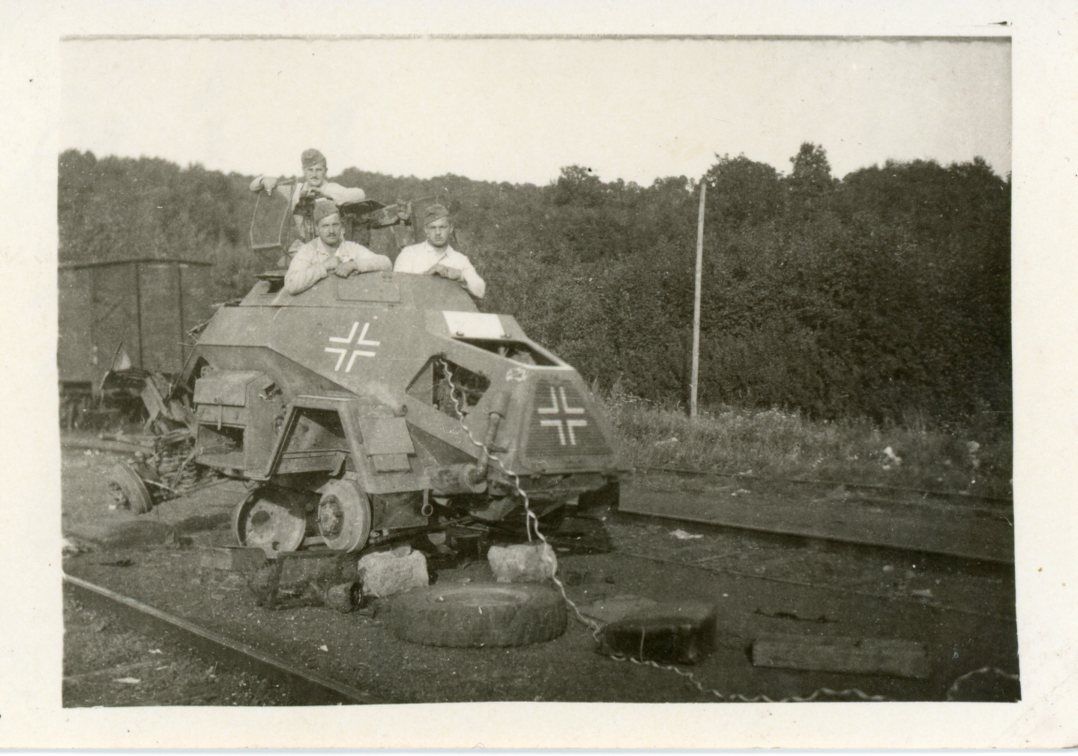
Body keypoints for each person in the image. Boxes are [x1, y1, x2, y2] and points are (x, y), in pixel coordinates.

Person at [250, 148, 367, 244]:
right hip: (306, 245)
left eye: (318, 170)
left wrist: (328, 196)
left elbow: (360, 194)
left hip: (331, 244)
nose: (314, 174)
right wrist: (263, 180)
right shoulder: (296, 190)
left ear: (325, 171)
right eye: (310, 170)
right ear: (304, 171)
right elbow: (254, 188)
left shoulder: (331, 188)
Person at [284, 199, 391, 295]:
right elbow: (291, 284)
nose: (331, 231)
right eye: (325, 226)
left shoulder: (350, 247)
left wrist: (354, 265)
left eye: (335, 225)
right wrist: (324, 266)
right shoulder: (308, 251)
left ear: (341, 227)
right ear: (317, 229)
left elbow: (386, 263)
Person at [394, 204, 486, 298]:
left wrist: (461, 277)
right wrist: (427, 275)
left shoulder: (460, 260)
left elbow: (480, 291)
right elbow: (396, 288)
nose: (438, 233)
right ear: (426, 230)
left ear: (450, 228)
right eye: (433, 228)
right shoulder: (409, 253)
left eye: (442, 227)